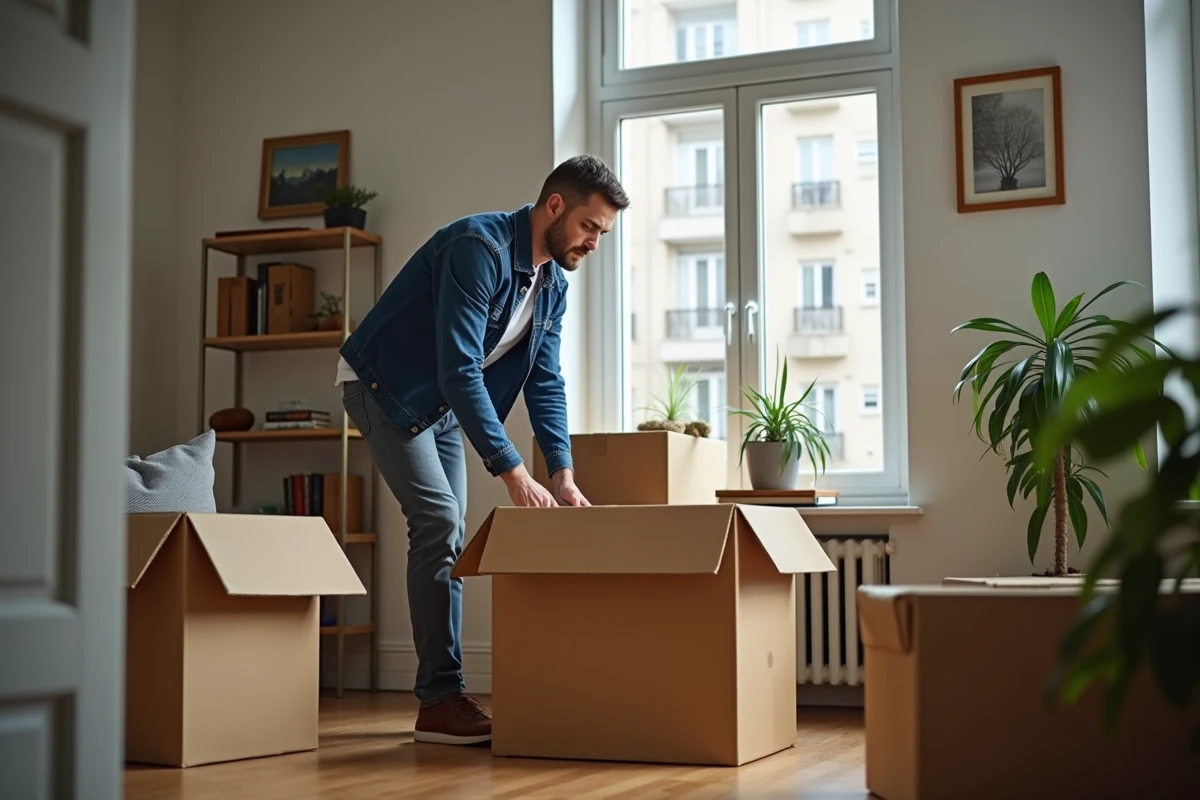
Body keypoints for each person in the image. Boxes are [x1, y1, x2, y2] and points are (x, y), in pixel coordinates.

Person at [334, 155, 629, 745]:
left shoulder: (552, 287)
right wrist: (514, 473)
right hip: (383, 388)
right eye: (590, 227)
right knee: (438, 520)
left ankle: (443, 695)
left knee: (450, 531)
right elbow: (459, 369)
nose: (595, 242)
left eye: (603, 233)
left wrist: (563, 475)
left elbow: (546, 382)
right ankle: (439, 699)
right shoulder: (478, 247)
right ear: (554, 206)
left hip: (441, 404)